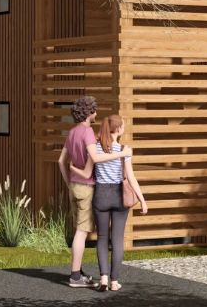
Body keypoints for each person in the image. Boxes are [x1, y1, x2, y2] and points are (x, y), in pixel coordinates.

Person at [55, 96, 130, 288]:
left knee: (79, 229)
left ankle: (78, 271)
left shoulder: (71, 132)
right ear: (89, 113)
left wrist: (68, 182)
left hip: (74, 185)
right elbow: (96, 158)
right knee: (82, 231)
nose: (96, 113)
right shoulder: (87, 132)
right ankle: (75, 277)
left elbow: (61, 161)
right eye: (94, 110)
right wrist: (122, 153)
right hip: (87, 186)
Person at [82, 114, 148, 292]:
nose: (124, 128)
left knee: (102, 238)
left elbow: (88, 173)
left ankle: (103, 278)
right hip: (119, 196)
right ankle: (114, 281)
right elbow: (131, 178)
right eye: (123, 126)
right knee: (117, 239)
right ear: (118, 129)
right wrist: (142, 200)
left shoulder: (95, 148)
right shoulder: (124, 150)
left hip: (101, 194)